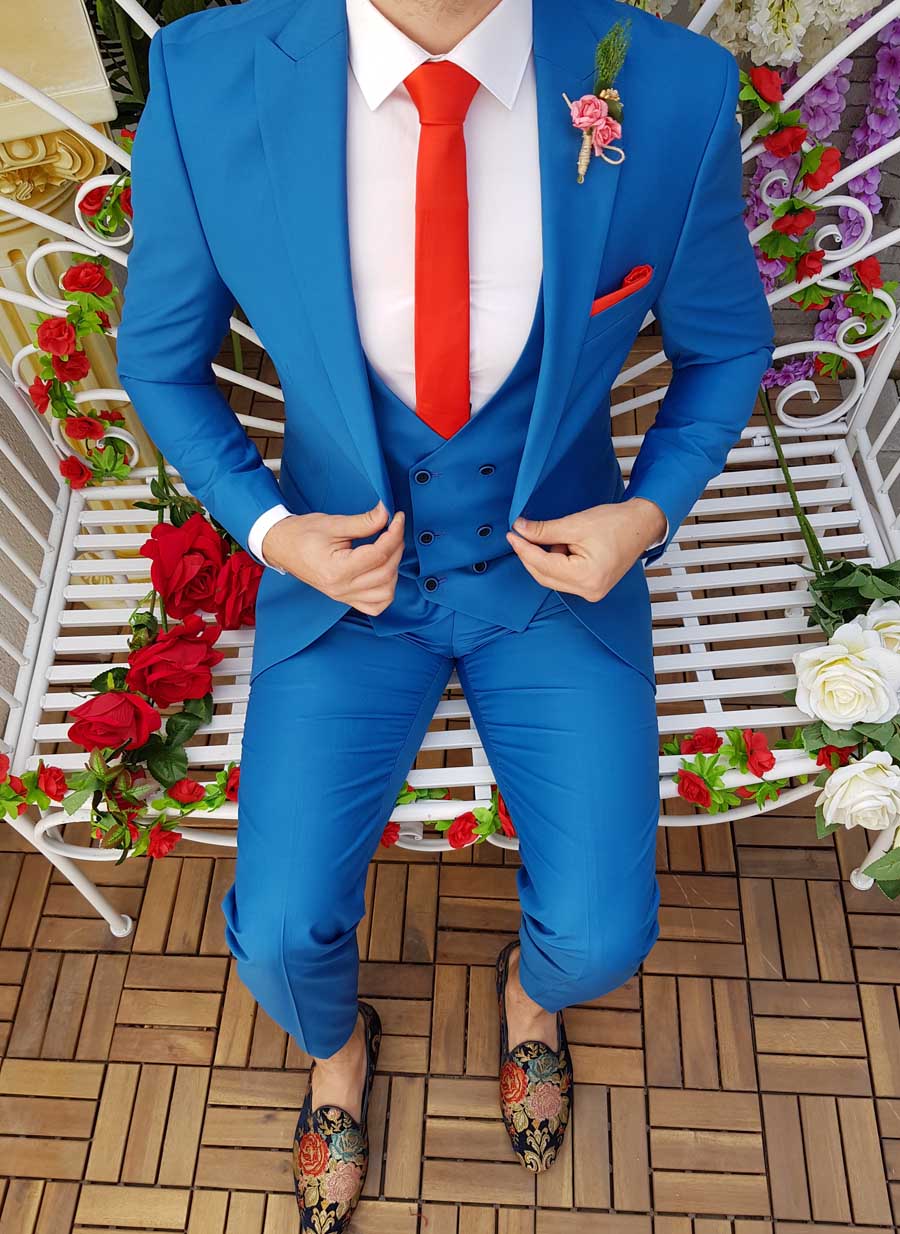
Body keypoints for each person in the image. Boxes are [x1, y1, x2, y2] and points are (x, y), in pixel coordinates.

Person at [115, 0, 775, 1227]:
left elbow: (727, 348)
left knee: (603, 936)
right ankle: (337, 1050)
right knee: (277, 934)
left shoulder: (670, 88)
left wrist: (646, 515)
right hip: (345, 581)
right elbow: (159, 359)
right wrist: (270, 530)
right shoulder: (208, 78)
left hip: (556, 573)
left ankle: (531, 996)